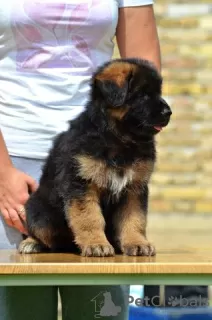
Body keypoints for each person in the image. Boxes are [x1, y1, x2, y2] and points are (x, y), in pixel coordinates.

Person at [0, 0, 160, 319]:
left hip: (104, 157)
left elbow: (144, 67)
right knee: (19, 311)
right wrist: (2, 173)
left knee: (101, 311)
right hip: (16, 160)